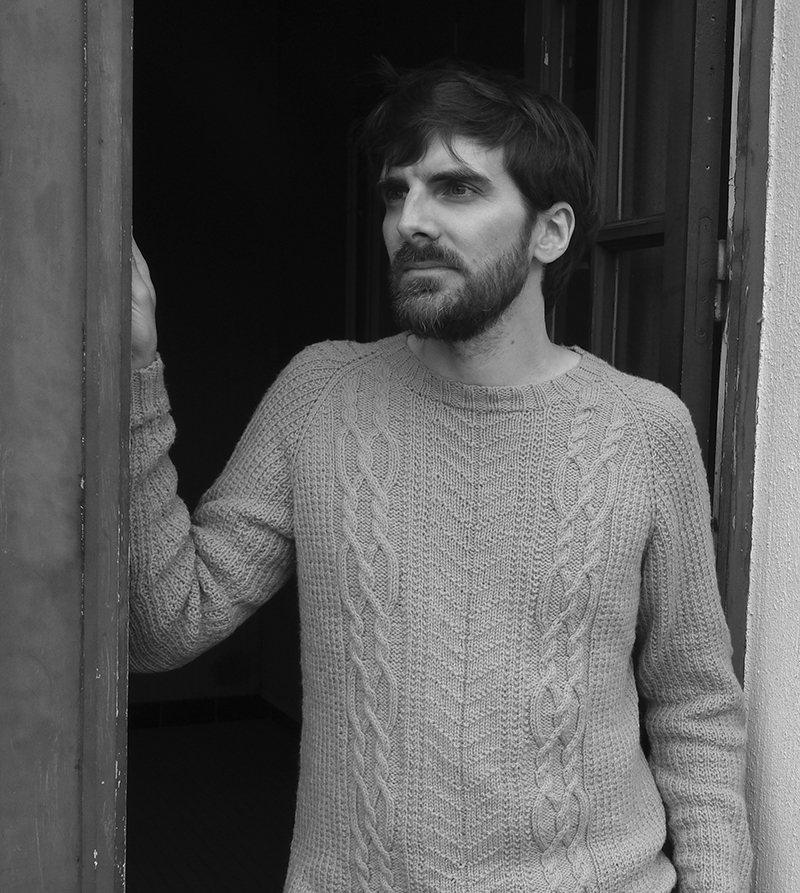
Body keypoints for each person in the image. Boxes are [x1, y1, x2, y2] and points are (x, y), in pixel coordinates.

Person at [129, 61, 752, 892]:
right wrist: (134, 371)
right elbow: (165, 622)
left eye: (456, 189)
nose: (410, 222)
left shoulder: (645, 429)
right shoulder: (320, 395)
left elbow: (696, 705)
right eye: (397, 193)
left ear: (551, 231)